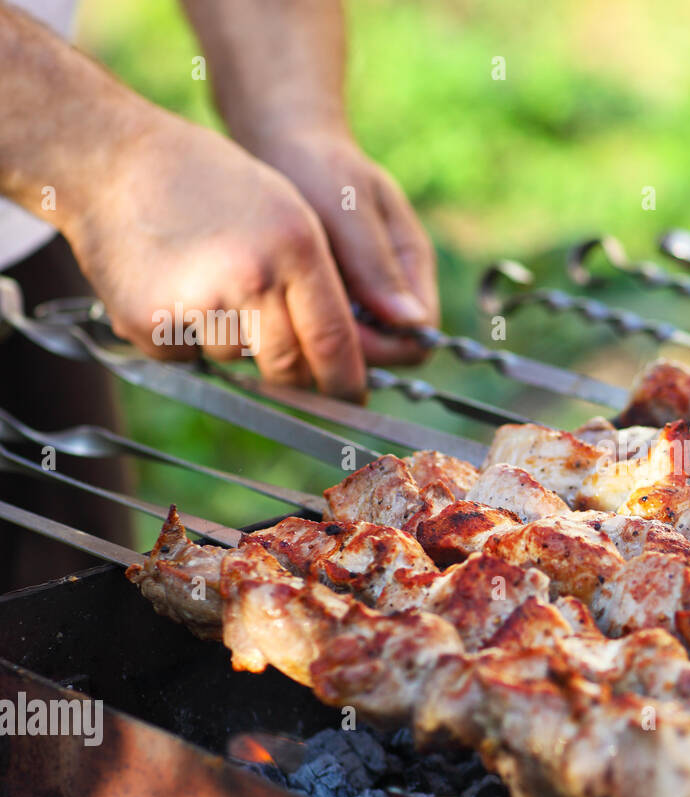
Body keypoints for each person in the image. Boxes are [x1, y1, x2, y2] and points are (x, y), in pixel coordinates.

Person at [0, 1, 438, 589]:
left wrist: (292, 123)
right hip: (65, 178)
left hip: (25, 235)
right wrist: (113, 167)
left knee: (53, 642)